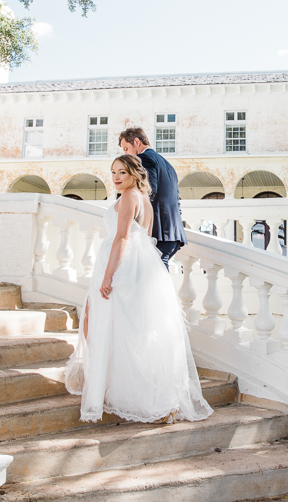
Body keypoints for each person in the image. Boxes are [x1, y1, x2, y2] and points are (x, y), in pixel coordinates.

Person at [64, 155, 213, 424]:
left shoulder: (130, 198)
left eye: (122, 172)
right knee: (126, 329)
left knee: (103, 324)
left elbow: (122, 238)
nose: (116, 177)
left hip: (121, 266)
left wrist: (108, 276)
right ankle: (127, 388)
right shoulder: (144, 200)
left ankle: (118, 388)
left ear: (134, 173)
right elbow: (144, 238)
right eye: (113, 172)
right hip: (139, 265)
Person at [118, 127, 186, 270]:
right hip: (172, 233)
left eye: (126, 148)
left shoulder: (144, 159)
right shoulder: (168, 165)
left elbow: (148, 191)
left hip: (158, 233)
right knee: (155, 278)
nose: (125, 154)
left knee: (156, 279)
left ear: (136, 142)